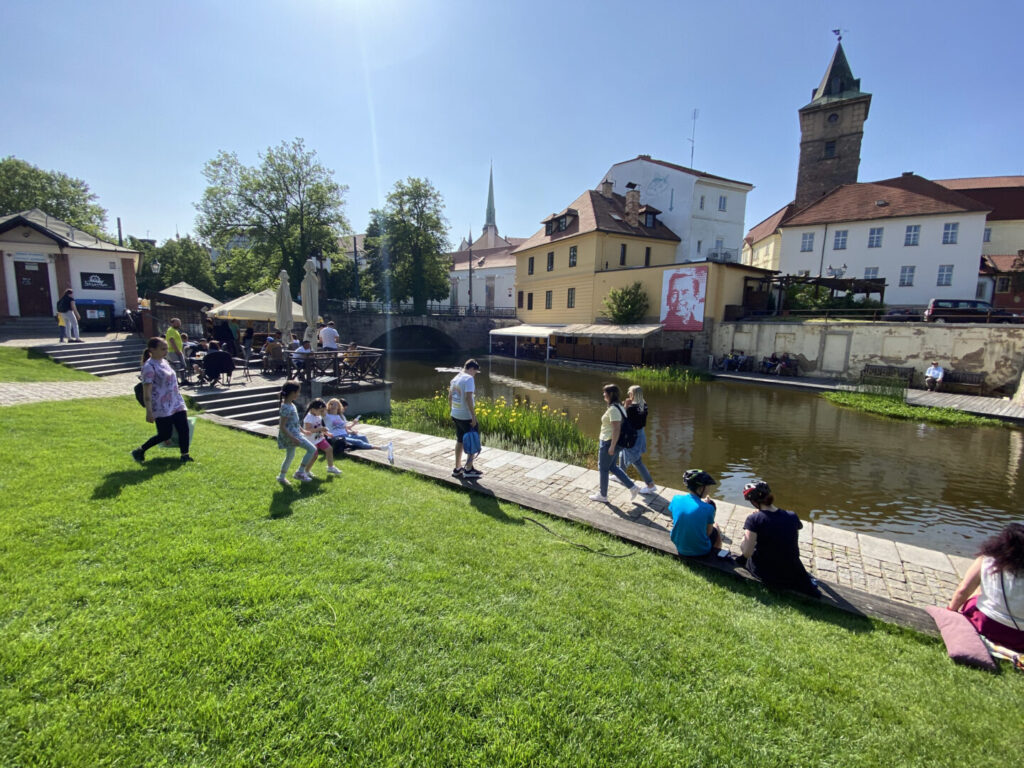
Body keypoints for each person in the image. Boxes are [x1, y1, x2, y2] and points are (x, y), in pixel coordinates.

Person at [947, 523, 1024, 652]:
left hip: (984, 625)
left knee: (976, 595)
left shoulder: (987, 559)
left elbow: (963, 590)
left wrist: (949, 613)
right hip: (1019, 638)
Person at [739, 481, 820, 597]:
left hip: (767, 573)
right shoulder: (792, 516)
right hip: (790, 572)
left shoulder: (754, 519)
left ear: (753, 502)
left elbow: (746, 552)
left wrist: (747, 532)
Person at [131, 337, 193, 464]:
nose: (166, 351)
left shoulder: (164, 362)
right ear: (152, 350)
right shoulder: (149, 366)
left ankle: (185, 455)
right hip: (161, 405)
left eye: (166, 349)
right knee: (165, 434)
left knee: (184, 428)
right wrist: (149, 411)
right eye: (163, 349)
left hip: (176, 401)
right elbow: (147, 391)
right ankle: (140, 450)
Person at [589, 384, 640, 503]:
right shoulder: (619, 406)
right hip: (613, 442)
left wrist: (612, 446)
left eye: (605, 393)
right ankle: (633, 487)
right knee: (612, 466)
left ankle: (603, 495)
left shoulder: (613, 409)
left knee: (603, 468)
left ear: (611, 394)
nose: (603, 395)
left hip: (609, 442)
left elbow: (617, 428)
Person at [668, 469, 723, 556]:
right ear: (700, 488)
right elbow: (708, 533)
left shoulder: (676, 499)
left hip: (679, 546)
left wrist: (701, 505)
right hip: (701, 551)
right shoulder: (708, 508)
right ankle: (716, 554)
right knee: (716, 528)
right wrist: (707, 507)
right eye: (708, 487)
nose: (709, 490)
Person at [276, 380, 318, 486]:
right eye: (298, 392)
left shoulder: (290, 404)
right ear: (293, 393)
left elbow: (293, 422)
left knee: (290, 455)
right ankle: (300, 472)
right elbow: (282, 426)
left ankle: (281, 477)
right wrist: (293, 438)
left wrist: (302, 430)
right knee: (312, 449)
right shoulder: (286, 407)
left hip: (294, 434)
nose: (298, 394)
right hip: (292, 435)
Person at [324, 398, 393, 462]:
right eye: (331, 404)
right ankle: (380, 448)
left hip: (345, 434)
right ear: (328, 405)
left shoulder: (339, 416)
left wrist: (353, 426)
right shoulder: (326, 416)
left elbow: (345, 428)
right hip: (337, 437)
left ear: (338, 406)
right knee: (358, 441)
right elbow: (320, 410)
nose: (333, 405)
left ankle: (370, 452)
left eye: (335, 404)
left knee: (363, 437)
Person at [620, 385, 657, 495]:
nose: (628, 395)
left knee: (637, 461)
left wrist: (625, 406)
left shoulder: (631, 408)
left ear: (633, 395)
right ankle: (620, 473)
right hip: (640, 434)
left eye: (629, 393)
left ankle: (650, 485)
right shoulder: (643, 405)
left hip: (632, 436)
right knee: (623, 451)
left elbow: (621, 418)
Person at [449, 359, 482, 478]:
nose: (475, 375)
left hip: (456, 413)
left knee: (460, 440)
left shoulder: (455, 378)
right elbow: (468, 398)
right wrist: (473, 416)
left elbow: (450, 397)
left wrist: (452, 411)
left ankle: (457, 468)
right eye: (475, 372)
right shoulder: (469, 379)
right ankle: (469, 469)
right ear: (471, 369)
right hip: (466, 415)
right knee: (472, 438)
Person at [301, 398, 342, 476]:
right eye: (321, 411)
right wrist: (320, 429)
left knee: (329, 449)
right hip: (311, 441)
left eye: (323, 411)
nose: (322, 413)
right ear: (313, 409)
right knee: (314, 456)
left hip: (319, 438)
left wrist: (327, 433)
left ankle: (330, 467)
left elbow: (319, 427)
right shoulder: (309, 417)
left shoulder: (318, 416)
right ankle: (306, 471)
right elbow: (308, 429)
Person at [165, 318, 188, 383]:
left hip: (177, 351)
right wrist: (177, 350)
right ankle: (176, 381)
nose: (179, 324)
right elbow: (171, 341)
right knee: (177, 366)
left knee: (182, 366)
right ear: (172, 323)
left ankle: (184, 380)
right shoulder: (171, 330)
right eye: (177, 323)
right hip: (173, 351)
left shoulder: (175, 330)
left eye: (179, 323)